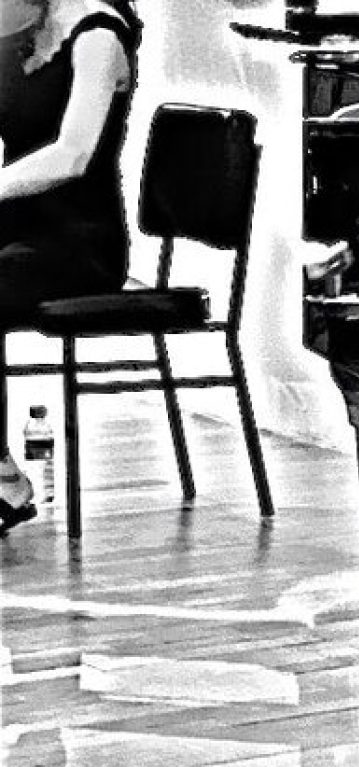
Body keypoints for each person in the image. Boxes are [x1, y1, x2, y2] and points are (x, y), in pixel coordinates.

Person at [0, 0, 140, 532]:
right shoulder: (21, 33)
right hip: (18, 230)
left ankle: (2, 478)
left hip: (79, 242)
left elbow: (73, 154)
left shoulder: (99, 33)